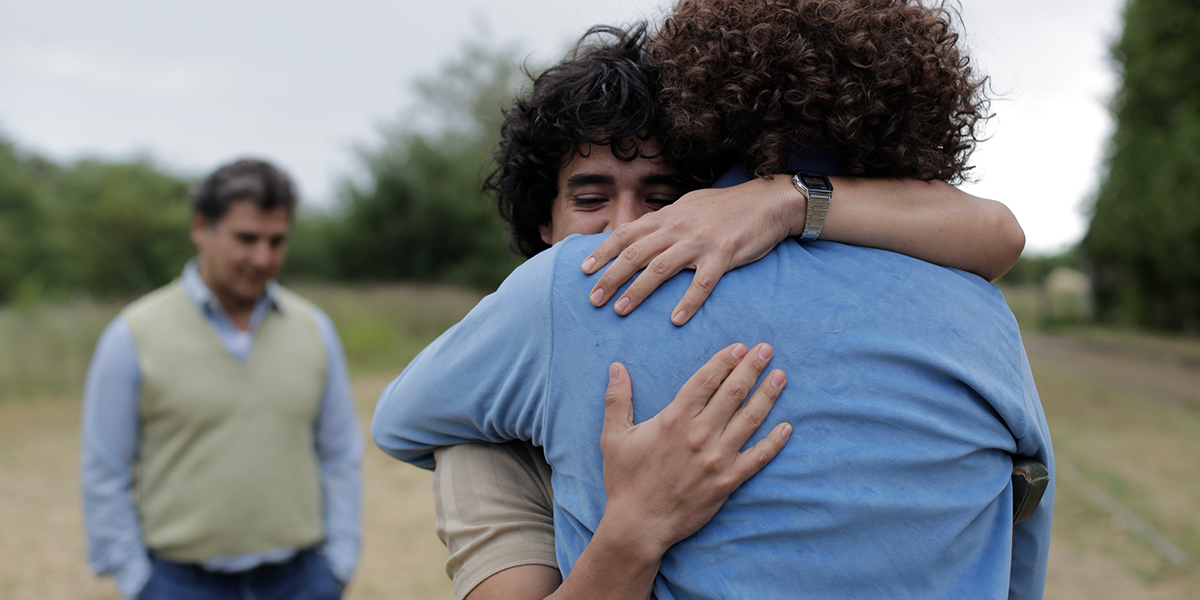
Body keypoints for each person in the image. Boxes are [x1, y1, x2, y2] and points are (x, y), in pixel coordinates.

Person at [378, 8, 1050, 598]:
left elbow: (403, 422)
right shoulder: (985, 316)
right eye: (590, 197)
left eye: (658, 197)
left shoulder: (570, 293)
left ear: (700, 115)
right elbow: (1018, 544)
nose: (627, 229)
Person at [81, 159, 362, 600]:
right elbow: (104, 470)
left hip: (302, 580)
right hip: (178, 583)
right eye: (246, 239)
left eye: (276, 241)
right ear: (200, 227)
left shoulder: (314, 329)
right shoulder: (132, 335)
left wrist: (339, 564)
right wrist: (138, 582)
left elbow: (341, 455)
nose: (262, 257)